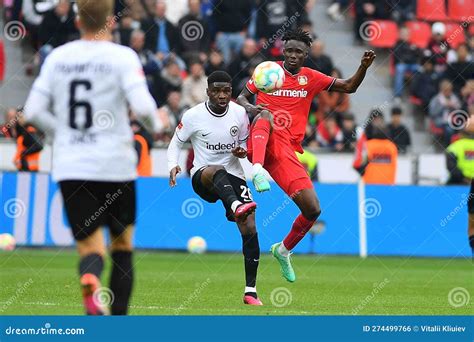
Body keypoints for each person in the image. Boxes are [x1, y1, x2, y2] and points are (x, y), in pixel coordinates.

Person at [23, 0, 159, 315]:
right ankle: (118, 321)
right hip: (115, 165)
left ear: (76, 20)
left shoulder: (58, 57)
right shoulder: (122, 57)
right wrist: (160, 125)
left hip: (72, 166)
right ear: (111, 21)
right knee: (122, 247)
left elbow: (31, 111)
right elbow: (145, 109)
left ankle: (89, 278)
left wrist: (62, 133)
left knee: (90, 248)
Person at [237, 28, 376, 282]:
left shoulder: (310, 78)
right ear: (282, 50)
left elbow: (349, 87)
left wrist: (363, 67)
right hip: (261, 138)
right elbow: (242, 97)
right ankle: (256, 169)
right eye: (288, 50)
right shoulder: (268, 71)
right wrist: (251, 107)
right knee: (265, 115)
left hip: (285, 151)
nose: (292, 55)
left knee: (313, 209)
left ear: (305, 54)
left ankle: (283, 250)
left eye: (298, 52)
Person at [167, 71, 262, 305]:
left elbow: (242, 144)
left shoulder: (240, 113)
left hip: (234, 175)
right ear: (208, 91)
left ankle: (251, 291)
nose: (222, 95)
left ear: (231, 92)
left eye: (226, 91)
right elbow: (176, 142)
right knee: (216, 169)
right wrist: (173, 165)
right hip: (204, 177)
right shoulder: (193, 116)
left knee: (249, 226)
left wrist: (242, 152)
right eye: (217, 91)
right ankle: (236, 205)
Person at [429, 79, 462, 147]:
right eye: (446, 90)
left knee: (463, 128)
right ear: (441, 90)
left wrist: (454, 107)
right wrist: (443, 106)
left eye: (450, 90)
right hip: (440, 121)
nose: (448, 92)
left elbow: (460, 111)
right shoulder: (436, 99)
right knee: (449, 129)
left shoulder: (454, 98)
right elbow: (432, 113)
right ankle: (448, 147)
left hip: (453, 121)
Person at [445, 117, 474, 185]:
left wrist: (464, 179)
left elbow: (451, 168)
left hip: (459, 183)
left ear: (461, 134)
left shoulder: (454, 147)